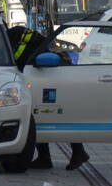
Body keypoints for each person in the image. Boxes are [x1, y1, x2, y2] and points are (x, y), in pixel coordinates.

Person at [7, 25, 89, 170]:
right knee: (37, 117)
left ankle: (77, 152)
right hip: (36, 77)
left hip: (48, 77)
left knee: (54, 115)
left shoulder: (16, 34)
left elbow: (24, 57)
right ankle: (46, 157)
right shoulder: (9, 37)